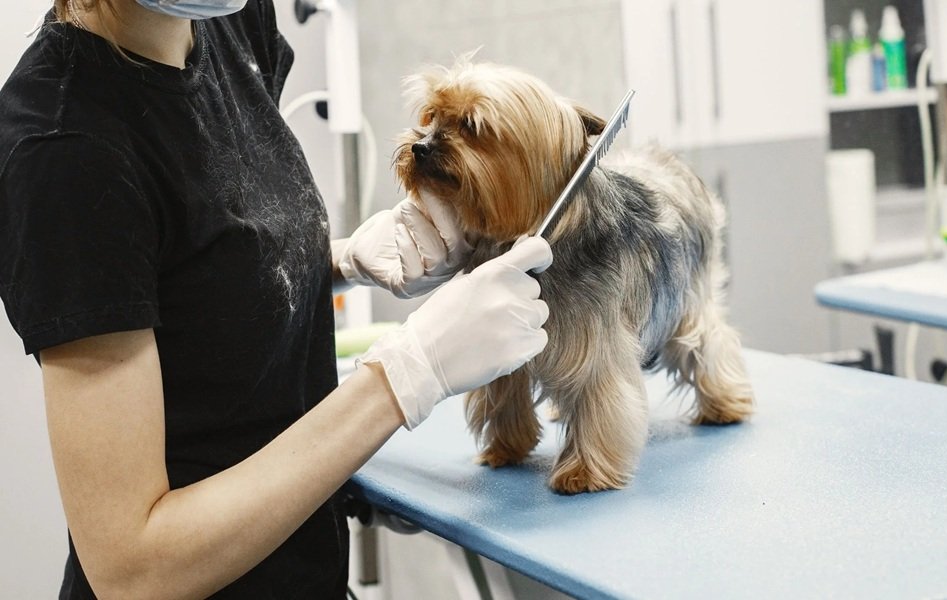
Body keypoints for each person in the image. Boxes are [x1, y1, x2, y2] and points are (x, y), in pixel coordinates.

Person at [0, 0, 551, 597]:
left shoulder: (229, 19)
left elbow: (196, 269)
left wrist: (338, 261)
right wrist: (406, 377)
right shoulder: (65, 150)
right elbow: (133, 570)